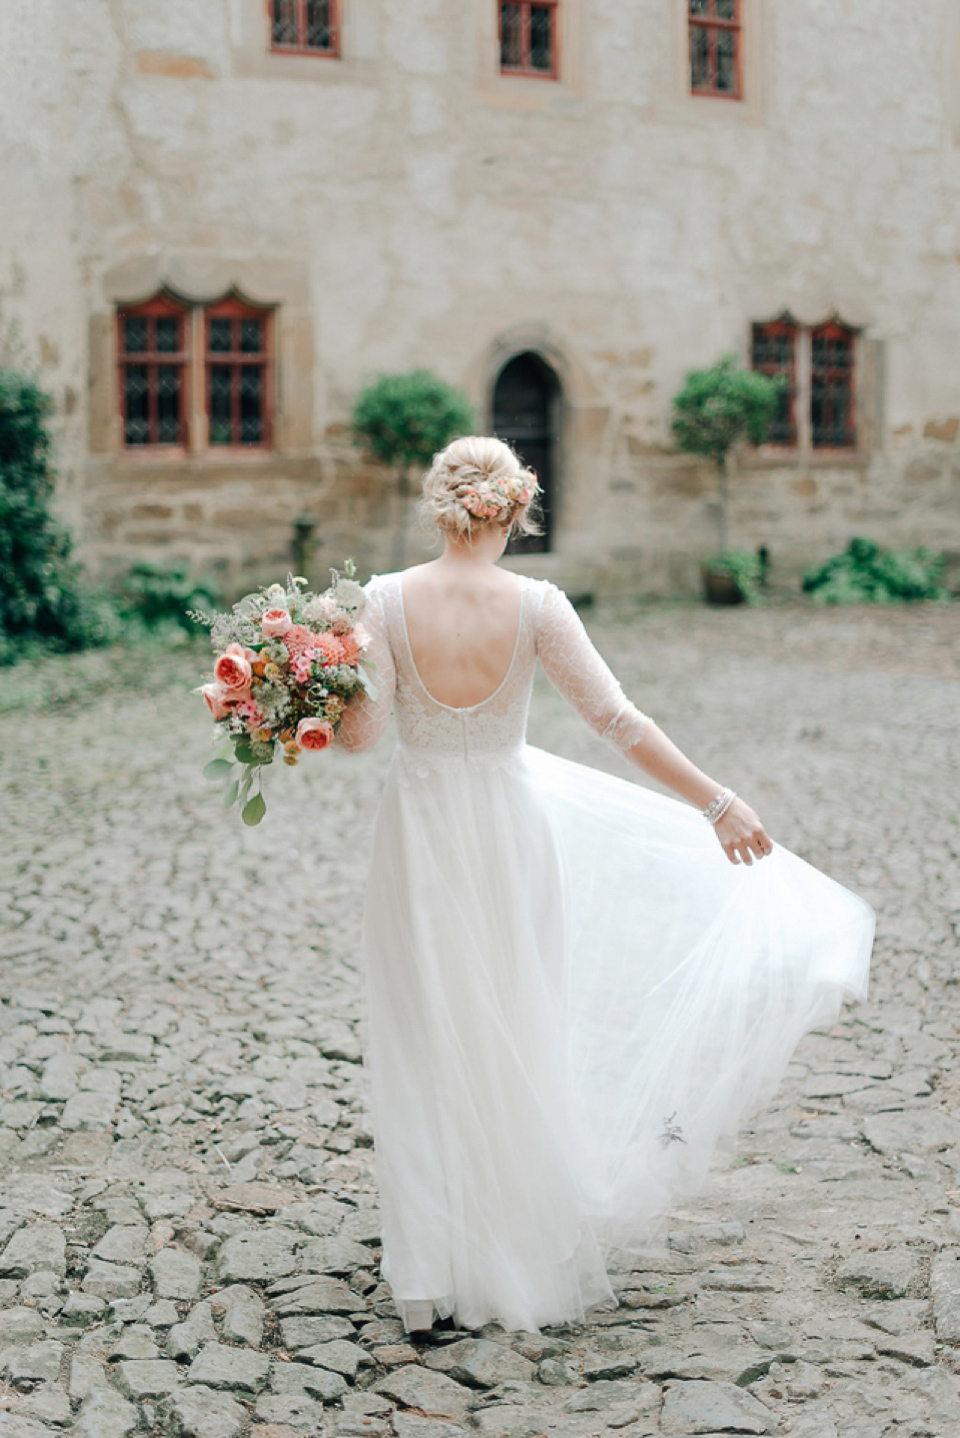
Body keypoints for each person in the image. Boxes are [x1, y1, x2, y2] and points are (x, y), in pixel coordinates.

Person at [336, 435, 874, 1336]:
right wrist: (719, 802)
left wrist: (313, 681)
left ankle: (425, 1278)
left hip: (422, 833)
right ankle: (506, 1245)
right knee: (515, 1020)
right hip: (511, 834)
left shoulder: (379, 603)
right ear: (512, 509)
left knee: (424, 1032)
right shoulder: (539, 605)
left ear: (439, 504)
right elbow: (618, 721)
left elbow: (360, 738)